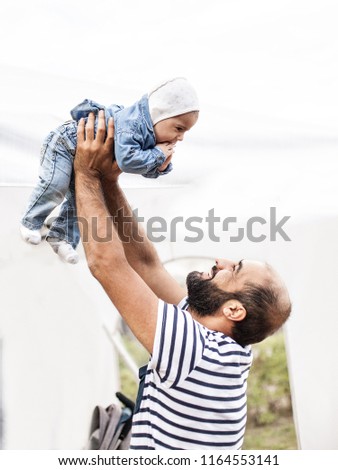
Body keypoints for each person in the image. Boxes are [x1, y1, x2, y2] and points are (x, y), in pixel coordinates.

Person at [73, 111, 291, 450]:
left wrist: (86, 172)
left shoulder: (197, 352)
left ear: (233, 310)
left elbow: (105, 263)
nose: (221, 261)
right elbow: (146, 264)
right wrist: (109, 182)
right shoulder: (218, 341)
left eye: (234, 270)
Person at [19, 77, 199, 264]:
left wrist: (160, 166)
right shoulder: (133, 124)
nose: (181, 137)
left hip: (89, 160)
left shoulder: (151, 136)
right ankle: (30, 221)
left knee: (80, 202)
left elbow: (141, 166)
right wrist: (157, 154)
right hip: (66, 145)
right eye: (179, 128)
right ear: (159, 114)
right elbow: (128, 161)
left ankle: (62, 238)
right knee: (55, 185)